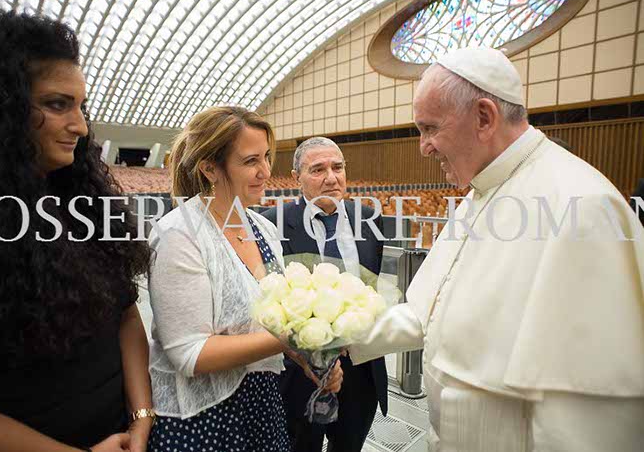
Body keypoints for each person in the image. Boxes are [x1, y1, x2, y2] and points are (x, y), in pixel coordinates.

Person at [349, 47, 644, 451]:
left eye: (430, 128)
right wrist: (338, 335)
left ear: (484, 117)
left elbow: (588, 424)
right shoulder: (479, 193)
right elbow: (428, 314)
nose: (423, 147)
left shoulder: (583, 206)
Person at [0, 10, 154, 452]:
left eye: (81, 106)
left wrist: (141, 417)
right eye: (57, 104)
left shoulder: (87, 206)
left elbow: (126, 314)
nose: (79, 126)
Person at [146, 107, 342, 452]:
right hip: (204, 418)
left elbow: (272, 322)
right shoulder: (180, 235)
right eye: (250, 161)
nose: (265, 171)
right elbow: (190, 354)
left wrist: (310, 358)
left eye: (266, 157)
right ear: (210, 168)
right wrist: (292, 337)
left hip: (261, 403)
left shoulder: (263, 229)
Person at [262, 137, 387, 452]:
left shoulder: (371, 219)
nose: (331, 177)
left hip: (362, 369)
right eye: (317, 169)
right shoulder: (271, 224)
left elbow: (372, 285)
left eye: (337, 167)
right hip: (302, 373)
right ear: (297, 178)